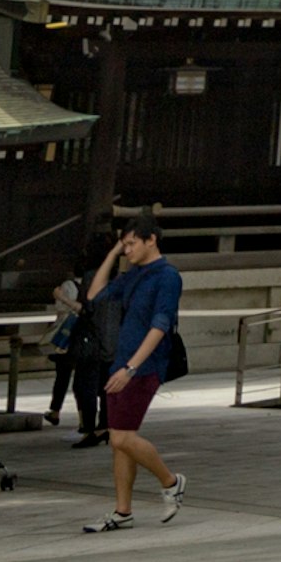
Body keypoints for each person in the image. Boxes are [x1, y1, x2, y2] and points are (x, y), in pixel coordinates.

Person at [82, 214, 187, 532]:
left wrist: (132, 367)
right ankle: (123, 511)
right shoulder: (134, 275)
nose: (126, 250)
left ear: (150, 239)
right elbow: (94, 295)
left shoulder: (167, 276)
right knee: (119, 442)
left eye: (130, 243)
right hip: (123, 363)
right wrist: (113, 253)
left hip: (143, 366)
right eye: (123, 244)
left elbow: (161, 324)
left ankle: (171, 481)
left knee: (122, 436)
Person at [44, 271, 104, 443]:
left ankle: (82, 423)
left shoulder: (69, 286)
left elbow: (64, 309)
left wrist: (61, 297)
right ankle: (87, 423)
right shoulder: (101, 286)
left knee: (69, 379)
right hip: (91, 340)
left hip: (72, 337)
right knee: (83, 383)